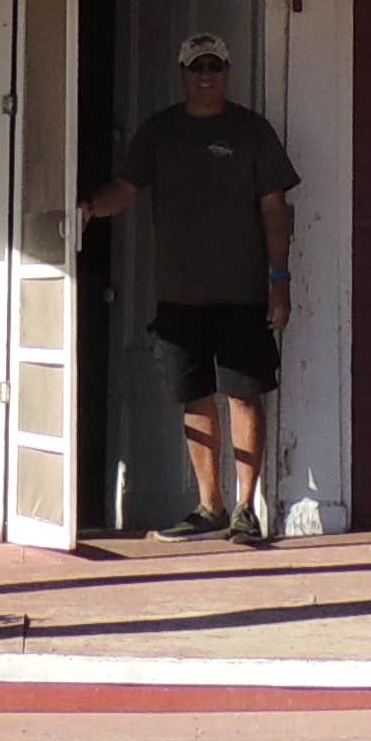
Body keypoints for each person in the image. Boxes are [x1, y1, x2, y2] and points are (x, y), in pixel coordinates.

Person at [80, 34, 299, 543]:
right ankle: (210, 506)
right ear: (182, 71)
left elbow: (275, 210)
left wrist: (279, 281)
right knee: (194, 397)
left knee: (243, 395)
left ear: (227, 71)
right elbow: (127, 189)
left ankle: (247, 508)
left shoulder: (251, 131)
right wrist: (87, 208)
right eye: (197, 65)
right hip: (179, 294)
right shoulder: (160, 131)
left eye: (215, 65)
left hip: (244, 292)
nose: (206, 73)